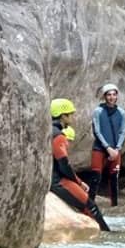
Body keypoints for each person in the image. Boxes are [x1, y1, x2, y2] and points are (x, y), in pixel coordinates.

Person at [49, 99, 112, 232]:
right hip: (57, 181)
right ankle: (106, 234)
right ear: (63, 116)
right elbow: (64, 165)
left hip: (51, 179)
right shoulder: (58, 136)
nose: (73, 117)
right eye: (71, 114)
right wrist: (78, 182)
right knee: (91, 206)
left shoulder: (48, 131)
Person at [88, 83, 125, 206]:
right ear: (104, 96)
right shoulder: (98, 111)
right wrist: (107, 147)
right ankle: (89, 206)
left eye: (114, 94)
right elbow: (97, 131)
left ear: (117, 96)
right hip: (100, 148)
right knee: (95, 178)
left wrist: (117, 148)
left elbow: (123, 132)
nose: (111, 97)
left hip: (115, 149)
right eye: (109, 95)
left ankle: (114, 206)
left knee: (114, 179)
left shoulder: (122, 113)